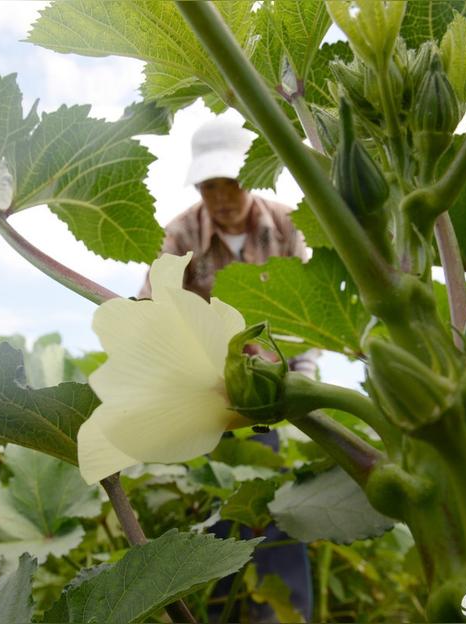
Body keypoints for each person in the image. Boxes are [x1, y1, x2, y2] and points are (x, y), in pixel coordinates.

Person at [141, 116, 315, 623]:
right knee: (220, 511)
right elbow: (153, 306)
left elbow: (307, 306)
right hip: (208, 393)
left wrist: (301, 374)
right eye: (208, 184)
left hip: (274, 389)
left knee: (274, 506)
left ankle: (286, 617)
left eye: (230, 181)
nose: (220, 196)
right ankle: (220, 613)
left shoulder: (286, 224)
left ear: (252, 177)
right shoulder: (180, 233)